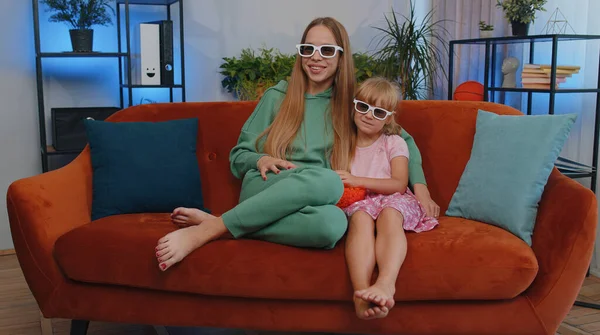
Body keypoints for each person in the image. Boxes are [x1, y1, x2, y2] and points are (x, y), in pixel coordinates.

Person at [155, 17, 440, 272]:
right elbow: (238, 155)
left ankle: (224, 225)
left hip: (314, 200)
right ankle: (208, 230)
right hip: (268, 185)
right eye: (308, 49)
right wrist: (260, 160)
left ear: (341, 57)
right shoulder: (277, 96)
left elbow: (401, 138)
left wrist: (421, 189)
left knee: (334, 225)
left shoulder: (352, 104)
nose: (316, 58)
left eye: (327, 50)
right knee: (331, 182)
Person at [337, 77, 439, 320]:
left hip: (393, 197)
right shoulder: (344, 143)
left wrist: (357, 180)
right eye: (363, 107)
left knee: (389, 215)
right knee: (359, 219)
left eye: (378, 111)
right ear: (354, 106)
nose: (369, 115)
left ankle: (385, 283)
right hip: (361, 201)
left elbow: (398, 183)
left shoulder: (394, 142)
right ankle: (360, 293)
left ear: (389, 117)